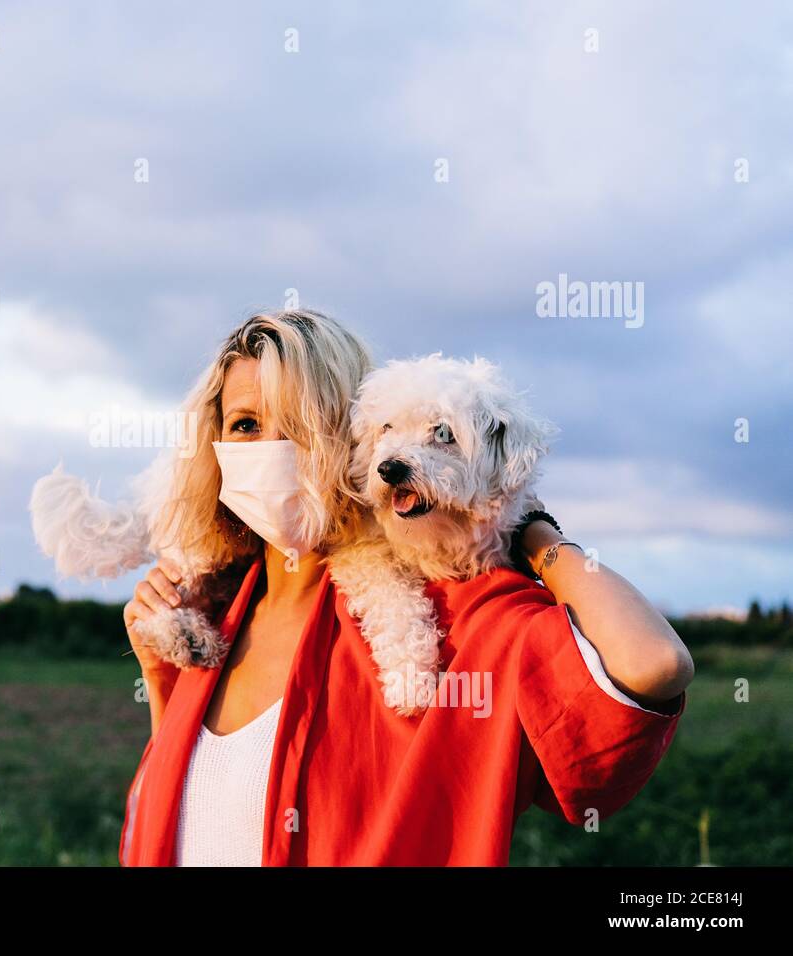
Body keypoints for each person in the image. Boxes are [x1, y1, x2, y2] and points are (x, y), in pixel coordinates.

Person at [119, 309, 692, 866]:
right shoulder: (215, 611)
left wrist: (533, 532)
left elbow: (655, 663)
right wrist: (159, 677)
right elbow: (174, 815)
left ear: (351, 439)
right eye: (245, 425)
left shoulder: (450, 620)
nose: (270, 449)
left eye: (298, 425)